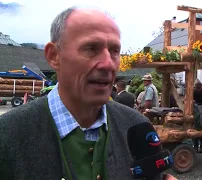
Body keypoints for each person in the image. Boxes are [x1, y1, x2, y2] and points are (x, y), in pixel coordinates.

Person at [0, 7, 176, 180]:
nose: (108, 64)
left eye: (115, 51)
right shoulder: (8, 134)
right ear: (54, 56)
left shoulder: (136, 125)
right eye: (91, 48)